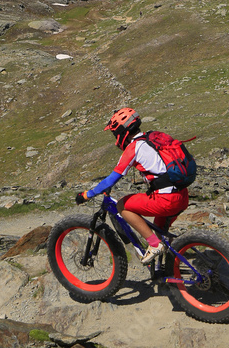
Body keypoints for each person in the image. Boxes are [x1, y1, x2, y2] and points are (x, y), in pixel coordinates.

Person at [76, 107, 189, 265]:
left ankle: (155, 245)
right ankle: (167, 265)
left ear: (122, 132)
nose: (115, 140)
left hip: (166, 200)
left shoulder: (133, 148)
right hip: (182, 195)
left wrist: (87, 194)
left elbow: (111, 180)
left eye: (115, 134)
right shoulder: (152, 137)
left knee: (122, 206)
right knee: (158, 231)